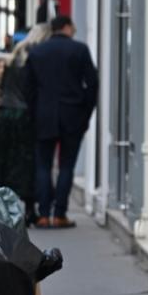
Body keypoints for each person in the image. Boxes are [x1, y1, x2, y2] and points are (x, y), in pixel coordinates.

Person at [24, 14, 98, 228]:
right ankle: (60, 214)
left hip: (44, 115)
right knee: (67, 166)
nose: (74, 29)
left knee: (43, 166)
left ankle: (44, 214)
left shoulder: (36, 51)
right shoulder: (80, 50)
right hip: (72, 114)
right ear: (66, 27)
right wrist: (85, 112)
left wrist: (34, 111)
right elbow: (92, 84)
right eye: (73, 26)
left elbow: (28, 88)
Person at [0, 24, 51, 223]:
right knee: (28, 163)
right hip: (25, 116)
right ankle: (30, 208)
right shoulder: (38, 58)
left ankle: (3, 208)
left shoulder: (12, 57)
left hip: (7, 114)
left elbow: (3, 88)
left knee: (5, 162)